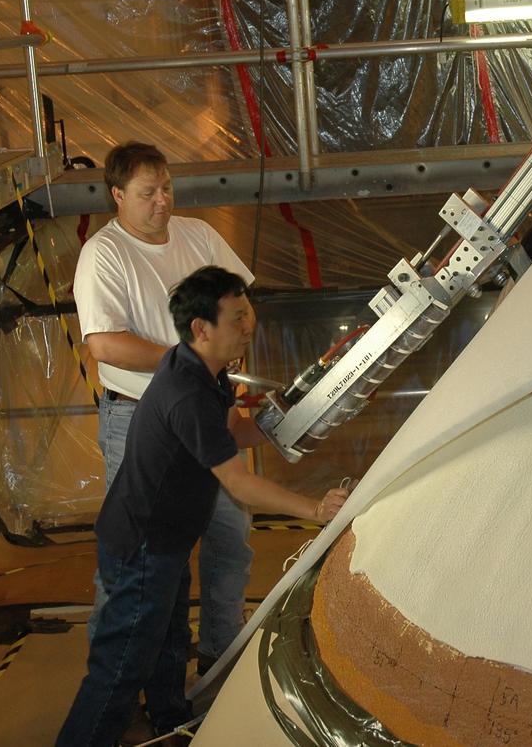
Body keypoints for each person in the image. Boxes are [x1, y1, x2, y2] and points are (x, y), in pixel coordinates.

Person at [56, 266, 349, 747]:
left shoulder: (206, 374)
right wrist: (315, 509)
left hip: (166, 541)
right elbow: (239, 482)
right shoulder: (187, 392)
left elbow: (233, 434)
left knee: (170, 642)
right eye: (237, 318)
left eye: (249, 314)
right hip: (141, 547)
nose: (248, 327)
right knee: (121, 667)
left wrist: (305, 412)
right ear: (201, 328)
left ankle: (170, 725)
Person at [73, 141, 256, 671]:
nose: (162, 201)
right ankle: (121, 680)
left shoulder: (199, 236)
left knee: (228, 541)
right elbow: (104, 345)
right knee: (141, 562)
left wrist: (231, 364)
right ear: (117, 196)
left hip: (209, 412)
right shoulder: (104, 255)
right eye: (147, 193)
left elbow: (242, 307)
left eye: (167, 188)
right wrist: (193, 363)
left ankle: (219, 663)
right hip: (140, 421)